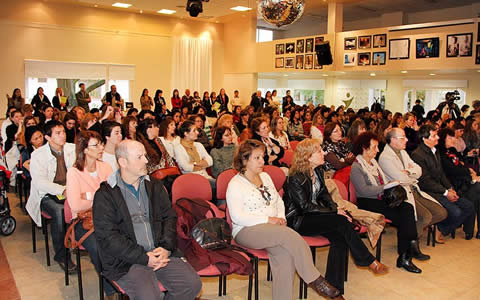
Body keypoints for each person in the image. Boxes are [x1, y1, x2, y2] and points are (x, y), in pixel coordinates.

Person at [226, 140, 342, 300]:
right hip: (247, 230)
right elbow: (237, 217)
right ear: (245, 160)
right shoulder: (235, 184)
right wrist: (269, 219)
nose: (262, 161)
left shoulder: (265, 176)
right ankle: (316, 280)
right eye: (257, 158)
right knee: (289, 236)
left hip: (274, 229)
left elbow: (278, 201)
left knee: (285, 256)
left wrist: (280, 217)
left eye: (263, 156)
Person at [92, 140, 202, 299]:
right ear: (123, 162)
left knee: (191, 285)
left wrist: (166, 247)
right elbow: (108, 238)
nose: (146, 160)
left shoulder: (154, 186)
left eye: (144, 155)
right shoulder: (106, 195)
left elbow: (169, 218)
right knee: (149, 296)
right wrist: (144, 258)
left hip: (159, 252)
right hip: (127, 260)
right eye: (139, 157)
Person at [284, 139, 388, 293]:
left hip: (316, 216)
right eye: (319, 151)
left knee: (340, 238)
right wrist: (333, 212)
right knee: (342, 221)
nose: (323, 153)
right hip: (299, 220)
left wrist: (335, 208)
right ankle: (367, 260)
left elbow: (325, 195)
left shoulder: (318, 171)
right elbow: (304, 207)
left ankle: (335, 290)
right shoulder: (295, 177)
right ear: (307, 156)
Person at [351, 132, 423, 273]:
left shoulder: (373, 163)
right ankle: (407, 253)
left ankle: (406, 253)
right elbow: (364, 191)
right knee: (404, 216)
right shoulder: (357, 167)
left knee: (407, 207)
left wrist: (388, 186)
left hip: (381, 198)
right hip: (367, 202)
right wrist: (385, 187)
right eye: (374, 147)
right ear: (364, 148)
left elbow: (381, 184)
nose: (377, 150)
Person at [66, 131, 116, 298]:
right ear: (85, 150)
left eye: (101, 143)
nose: (101, 147)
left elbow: (114, 197)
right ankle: (111, 290)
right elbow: (76, 205)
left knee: (127, 239)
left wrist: (88, 195)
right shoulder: (74, 172)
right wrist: (99, 197)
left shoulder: (106, 167)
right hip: (84, 221)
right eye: (96, 145)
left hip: (108, 218)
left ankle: (127, 281)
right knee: (99, 247)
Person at [379, 128, 447, 243]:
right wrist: (411, 174)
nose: (406, 140)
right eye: (402, 138)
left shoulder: (403, 152)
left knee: (441, 213)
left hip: (413, 189)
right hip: (401, 194)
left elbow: (419, 170)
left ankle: (411, 234)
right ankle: (411, 243)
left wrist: (409, 172)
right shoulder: (385, 157)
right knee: (425, 217)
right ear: (393, 140)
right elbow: (401, 179)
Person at [26, 120, 77, 273]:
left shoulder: (72, 148)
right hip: (47, 194)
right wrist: (62, 190)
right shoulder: (38, 155)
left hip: (70, 190)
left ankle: (83, 241)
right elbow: (40, 182)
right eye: (58, 133)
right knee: (59, 211)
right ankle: (62, 255)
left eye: (63, 132)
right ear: (47, 137)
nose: (63, 136)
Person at [411, 125, 475, 240]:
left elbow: (441, 174)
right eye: (434, 135)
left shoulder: (435, 151)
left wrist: (450, 188)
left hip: (440, 189)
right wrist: (446, 192)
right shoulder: (418, 155)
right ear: (425, 139)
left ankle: (442, 229)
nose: (437, 138)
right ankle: (440, 228)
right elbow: (425, 181)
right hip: (428, 192)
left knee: (469, 206)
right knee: (456, 212)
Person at [437, 128, 478, 239]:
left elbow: (461, 165)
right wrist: (469, 172)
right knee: (474, 194)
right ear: (442, 139)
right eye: (449, 138)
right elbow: (451, 170)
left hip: (462, 180)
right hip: (453, 183)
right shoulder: (439, 153)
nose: (453, 140)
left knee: (477, 193)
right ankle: (468, 230)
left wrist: (469, 171)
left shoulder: (452, 150)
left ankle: (471, 230)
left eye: (452, 137)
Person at [174, 120, 214, 185]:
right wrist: (203, 163)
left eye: (197, 130)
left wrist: (194, 163)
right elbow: (186, 167)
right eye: (194, 130)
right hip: (191, 181)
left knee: (220, 184)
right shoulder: (178, 148)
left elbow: (210, 161)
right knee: (218, 185)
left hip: (206, 177)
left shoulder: (198, 145)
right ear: (186, 133)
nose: (197, 132)